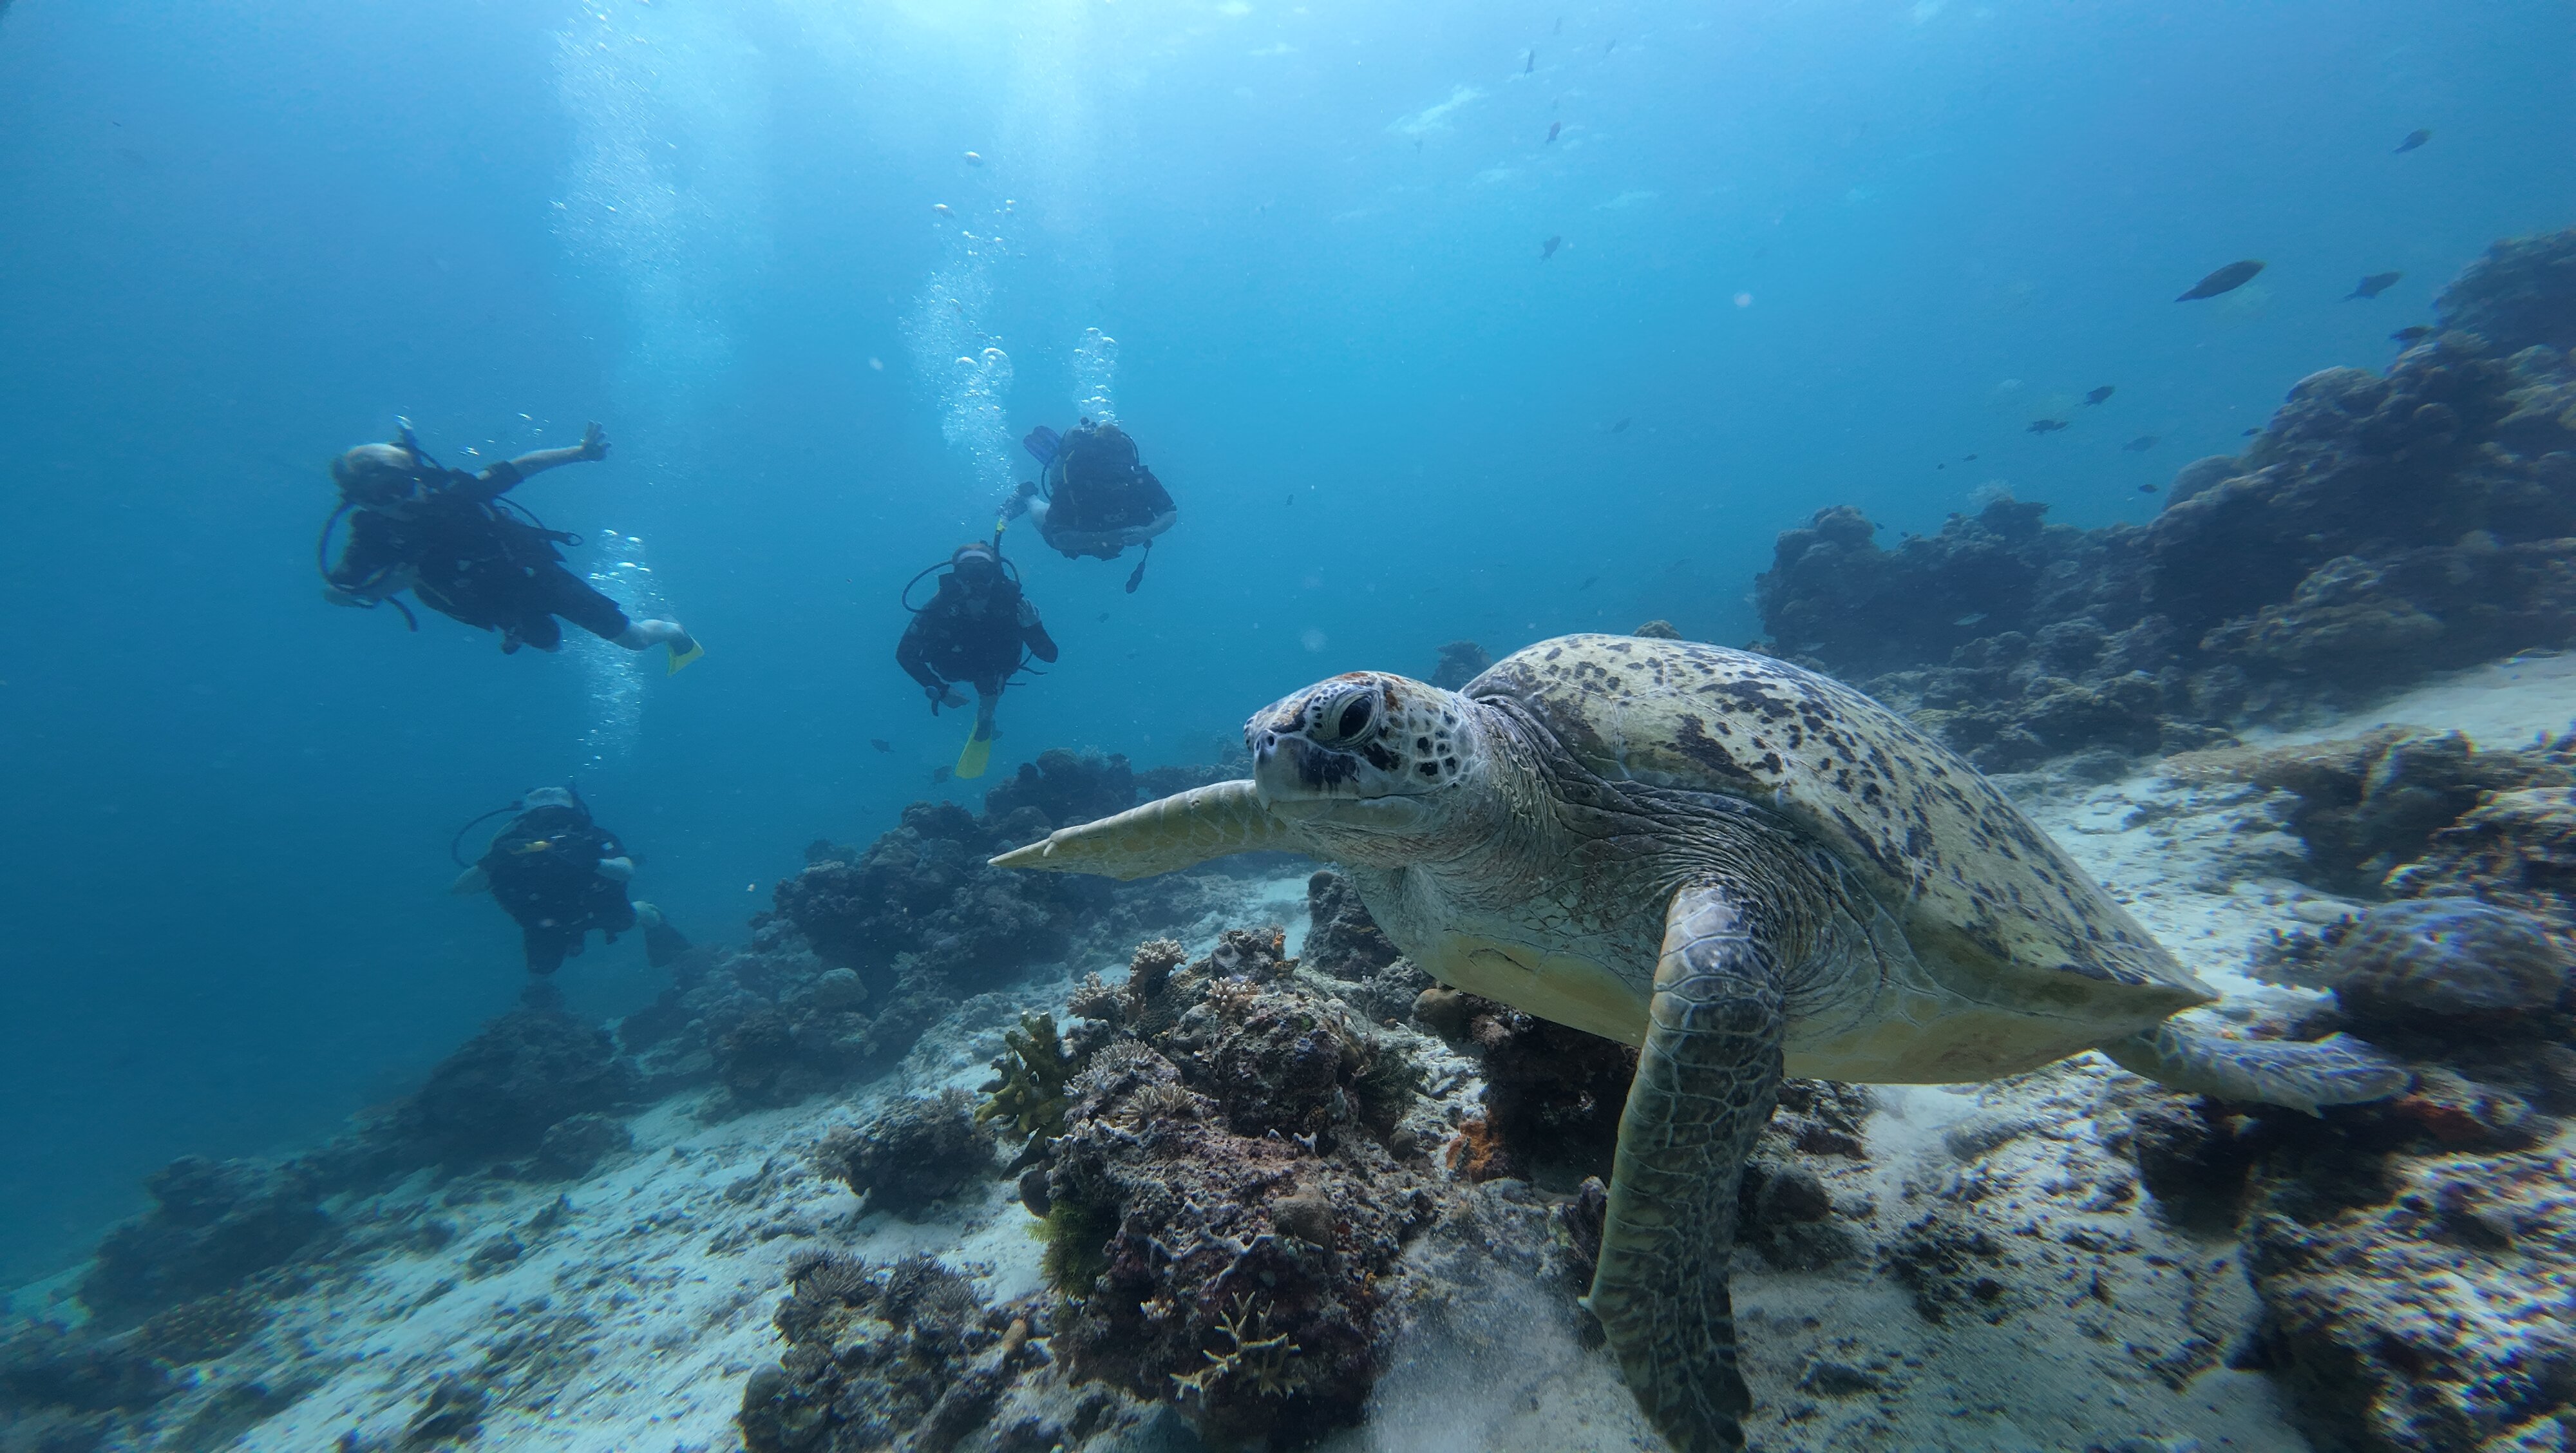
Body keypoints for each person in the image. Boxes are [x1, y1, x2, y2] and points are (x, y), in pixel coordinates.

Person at [320, 421, 703, 671]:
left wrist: (580, 453)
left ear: (416, 477)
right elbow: (341, 588)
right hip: (490, 602)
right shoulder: (372, 536)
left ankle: (674, 630)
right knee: (552, 647)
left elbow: (522, 466)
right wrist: (352, 592)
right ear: (362, 504)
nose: (394, 502)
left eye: (397, 487)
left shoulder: (455, 493)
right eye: (376, 498)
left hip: (536, 576)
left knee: (633, 641)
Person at [449, 786, 689, 974]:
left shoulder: (594, 838)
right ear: (526, 822)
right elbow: (461, 889)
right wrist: (493, 861)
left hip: (597, 906)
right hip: (545, 919)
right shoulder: (510, 847)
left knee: (624, 920)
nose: (552, 830)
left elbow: (626, 871)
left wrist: (591, 861)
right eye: (543, 822)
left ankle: (649, 914)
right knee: (541, 967)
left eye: (560, 820)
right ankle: (541, 997)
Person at [896, 541, 1059, 748]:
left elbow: (1050, 656)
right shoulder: (939, 608)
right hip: (951, 666)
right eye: (967, 573)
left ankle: (986, 714)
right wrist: (940, 689)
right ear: (957, 577)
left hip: (993, 668)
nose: (975, 581)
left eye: (983, 572)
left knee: (990, 681)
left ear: (994, 574)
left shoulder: (1012, 606)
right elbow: (904, 654)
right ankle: (984, 705)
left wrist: (1034, 628)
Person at [1005, 417, 1177, 590]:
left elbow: (1170, 512)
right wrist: (1101, 539)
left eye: (1120, 477)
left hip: (1109, 528)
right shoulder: (1073, 486)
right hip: (1082, 528)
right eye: (1109, 479)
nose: (1116, 484)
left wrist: (1148, 531)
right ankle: (1028, 497)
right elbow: (1058, 537)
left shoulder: (1137, 476)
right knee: (1043, 518)